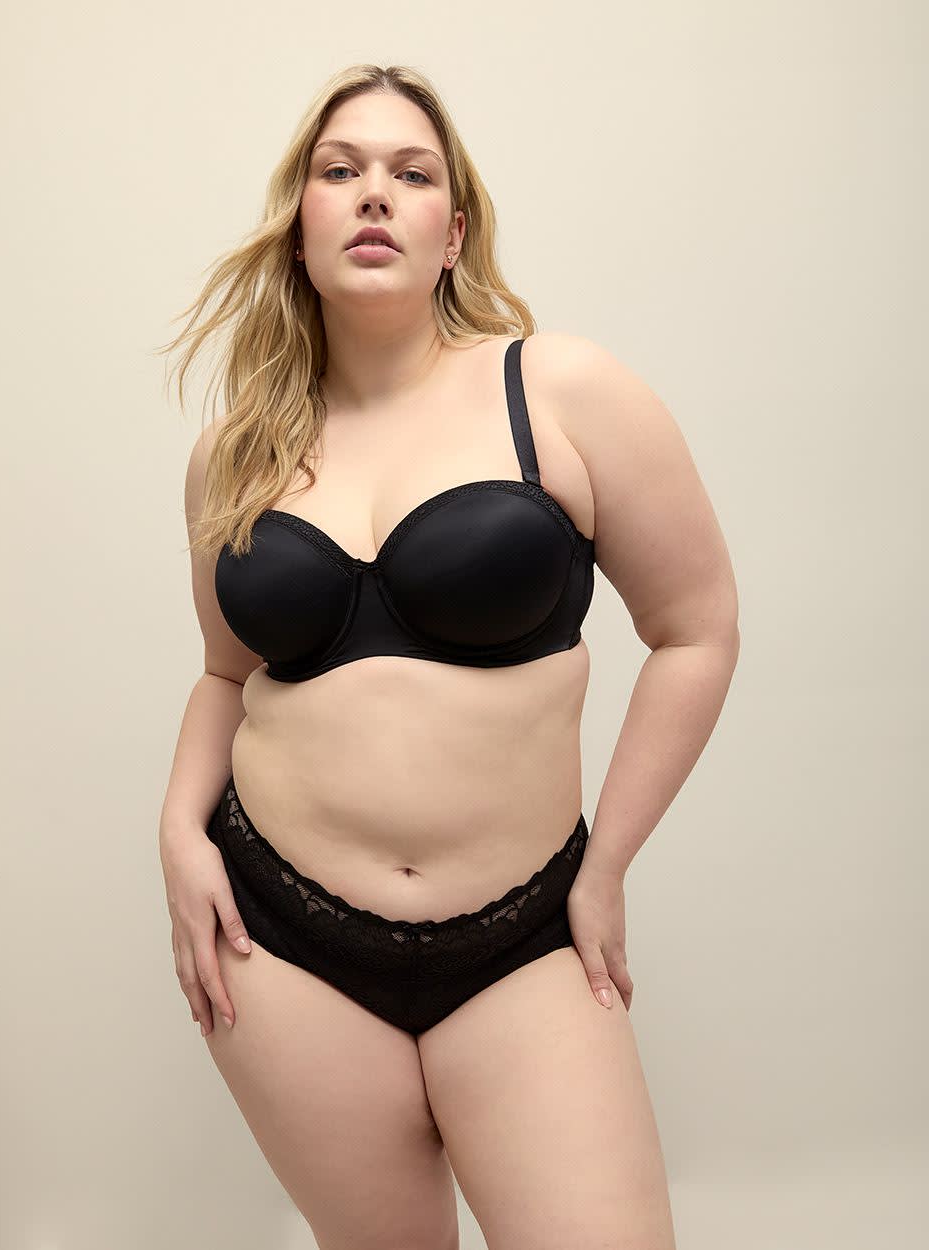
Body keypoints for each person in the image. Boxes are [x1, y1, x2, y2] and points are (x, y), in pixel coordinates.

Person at [156, 63, 738, 1250]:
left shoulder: (559, 390)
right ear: (301, 221)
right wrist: (175, 829)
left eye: (411, 173)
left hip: (521, 936)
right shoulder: (234, 452)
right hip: (280, 943)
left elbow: (697, 629)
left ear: (452, 232)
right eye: (341, 170)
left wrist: (605, 866)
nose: (375, 192)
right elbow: (225, 673)